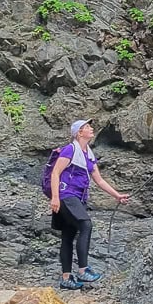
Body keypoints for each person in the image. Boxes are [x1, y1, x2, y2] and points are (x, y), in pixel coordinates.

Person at [44, 119, 129, 290]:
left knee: (68, 235)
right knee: (85, 224)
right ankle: (83, 270)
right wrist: (55, 197)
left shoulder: (88, 155)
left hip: (78, 199)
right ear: (79, 133)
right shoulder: (70, 149)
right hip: (66, 195)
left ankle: (66, 278)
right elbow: (55, 173)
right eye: (87, 127)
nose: (91, 129)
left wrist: (117, 196)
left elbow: (99, 180)